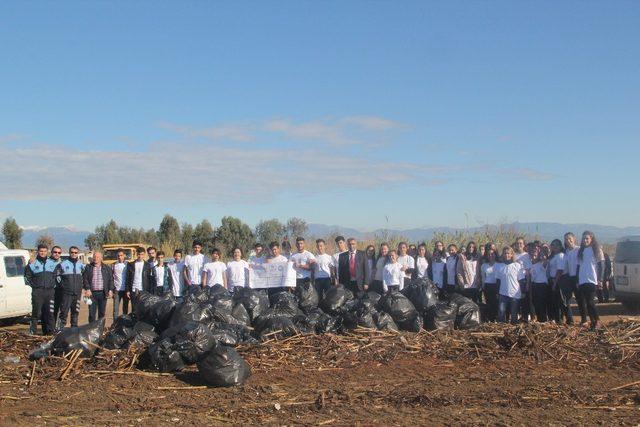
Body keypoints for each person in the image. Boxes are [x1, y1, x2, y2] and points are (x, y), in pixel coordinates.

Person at [24, 244, 58, 335]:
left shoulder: (52, 263)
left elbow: (56, 276)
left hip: (49, 292)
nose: (43, 253)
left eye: (44, 251)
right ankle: (33, 333)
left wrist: (52, 285)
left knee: (50, 313)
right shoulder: (32, 264)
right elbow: (27, 277)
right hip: (37, 292)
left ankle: (50, 333)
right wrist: (35, 286)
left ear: (47, 252)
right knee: (36, 314)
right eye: (41, 251)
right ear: (38, 252)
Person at [576, 231, 604, 330]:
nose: (585, 240)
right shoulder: (581, 251)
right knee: (586, 303)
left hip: (592, 279)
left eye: (587, 238)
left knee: (591, 301)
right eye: (583, 238)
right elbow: (578, 267)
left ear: (591, 239)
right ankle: (592, 322)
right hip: (582, 279)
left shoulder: (596, 250)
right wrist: (577, 280)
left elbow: (601, 265)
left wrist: (600, 279)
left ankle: (597, 321)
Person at [55, 246, 85, 329]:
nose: (74, 254)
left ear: (77, 254)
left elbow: (85, 277)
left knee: (75, 312)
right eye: (72, 252)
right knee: (64, 313)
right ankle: (60, 330)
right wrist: (63, 287)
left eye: (76, 252)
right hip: (66, 294)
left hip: (77, 293)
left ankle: (74, 330)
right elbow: (57, 277)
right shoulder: (62, 264)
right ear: (69, 253)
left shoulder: (81, 265)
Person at [82, 251, 114, 323]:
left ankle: (100, 330)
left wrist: (110, 290)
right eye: (94, 257)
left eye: (98, 257)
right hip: (91, 294)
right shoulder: (88, 267)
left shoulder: (107, 268)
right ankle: (91, 329)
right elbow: (85, 279)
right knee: (91, 314)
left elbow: (111, 280)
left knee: (102, 313)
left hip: (103, 293)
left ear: (101, 258)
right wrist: (87, 289)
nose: (96, 258)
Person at [496, 247, 524, 325]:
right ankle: (500, 329)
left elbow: (521, 280)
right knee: (501, 312)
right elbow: (498, 281)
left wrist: (523, 292)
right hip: (503, 293)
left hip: (515, 293)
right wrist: (497, 293)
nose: (506, 255)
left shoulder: (517, 266)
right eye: (505, 253)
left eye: (508, 253)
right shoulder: (500, 266)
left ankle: (514, 330)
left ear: (512, 254)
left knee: (514, 313)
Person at [561, 232, 580, 325]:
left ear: (574, 239)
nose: (568, 241)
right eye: (566, 239)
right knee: (566, 300)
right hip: (568, 278)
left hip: (577, 277)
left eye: (569, 239)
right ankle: (570, 320)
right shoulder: (565, 252)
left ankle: (584, 319)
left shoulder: (579, 250)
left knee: (580, 299)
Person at [513, 237, 533, 322]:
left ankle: (525, 317)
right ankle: (517, 316)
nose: (519, 245)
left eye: (521, 243)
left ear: (524, 245)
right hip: (514, 280)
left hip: (523, 280)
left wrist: (528, 283)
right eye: (517, 243)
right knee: (516, 298)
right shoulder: (513, 255)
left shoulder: (526, 255)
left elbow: (528, 270)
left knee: (525, 299)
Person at [547, 239, 565, 323]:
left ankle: (560, 319)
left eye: (556, 245)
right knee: (553, 301)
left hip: (557, 281)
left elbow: (560, 270)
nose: (554, 247)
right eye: (552, 245)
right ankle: (556, 319)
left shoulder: (560, 255)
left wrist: (555, 283)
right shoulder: (553, 256)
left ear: (560, 246)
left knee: (558, 301)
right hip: (551, 280)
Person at [530, 245, 549, 322]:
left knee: (542, 304)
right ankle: (539, 319)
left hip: (542, 285)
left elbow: (545, 259)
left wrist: (542, 252)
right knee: (535, 303)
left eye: (535, 254)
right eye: (532, 254)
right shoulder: (530, 264)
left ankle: (543, 320)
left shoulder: (542, 263)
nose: (534, 255)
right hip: (534, 285)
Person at [481, 246, 499, 322]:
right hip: (487, 286)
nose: (490, 256)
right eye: (489, 254)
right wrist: (483, 287)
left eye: (492, 254)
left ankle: (496, 319)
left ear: (495, 255)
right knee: (488, 303)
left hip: (496, 286)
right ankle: (490, 320)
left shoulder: (499, 265)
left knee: (496, 303)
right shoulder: (484, 265)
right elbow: (483, 277)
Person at [112, 249, 129, 319]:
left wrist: (129, 289)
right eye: (118, 255)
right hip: (117, 290)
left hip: (126, 290)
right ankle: (115, 325)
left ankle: (124, 324)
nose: (119, 257)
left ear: (124, 255)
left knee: (125, 308)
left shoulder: (128, 265)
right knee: (115, 309)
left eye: (121, 255)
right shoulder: (113, 265)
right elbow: (111, 277)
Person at [50, 246, 63, 324]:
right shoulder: (46, 262)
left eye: (59, 252)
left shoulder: (63, 263)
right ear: (51, 252)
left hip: (60, 290)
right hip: (50, 290)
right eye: (55, 252)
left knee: (61, 311)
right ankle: (50, 330)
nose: (57, 254)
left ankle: (59, 329)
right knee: (51, 311)